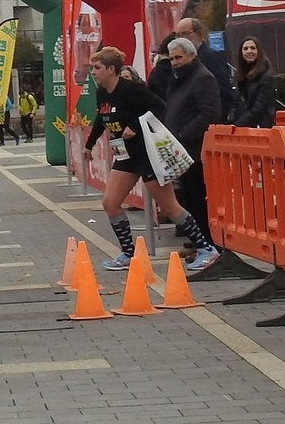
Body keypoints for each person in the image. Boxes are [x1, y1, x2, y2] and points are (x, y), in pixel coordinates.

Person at [83, 46, 220, 272]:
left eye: (97, 68)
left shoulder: (131, 90)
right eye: (92, 68)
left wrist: (134, 126)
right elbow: (102, 117)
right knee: (110, 202)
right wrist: (89, 145)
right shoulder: (102, 93)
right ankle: (129, 253)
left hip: (147, 153)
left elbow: (159, 106)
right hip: (125, 155)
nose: (93, 73)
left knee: (169, 206)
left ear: (110, 69)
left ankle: (207, 248)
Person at [162, 38, 222, 260]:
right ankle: (199, 243)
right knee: (188, 198)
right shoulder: (179, 78)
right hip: (182, 151)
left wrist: (184, 134)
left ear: (191, 56)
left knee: (198, 198)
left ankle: (208, 244)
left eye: (179, 57)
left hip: (195, 151)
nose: (175, 62)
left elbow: (209, 112)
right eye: (172, 59)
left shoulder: (202, 78)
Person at [174, 18, 236, 121]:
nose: (180, 39)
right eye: (177, 35)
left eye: (185, 34)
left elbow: (223, 91)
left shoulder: (212, 57)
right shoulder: (179, 63)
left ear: (199, 34)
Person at [233, 36, 276, 128]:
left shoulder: (266, 77)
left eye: (253, 48)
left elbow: (259, 108)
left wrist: (237, 125)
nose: (249, 51)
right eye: (245, 49)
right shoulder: (240, 76)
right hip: (243, 127)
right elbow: (237, 103)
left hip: (261, 127)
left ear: (259, 51)